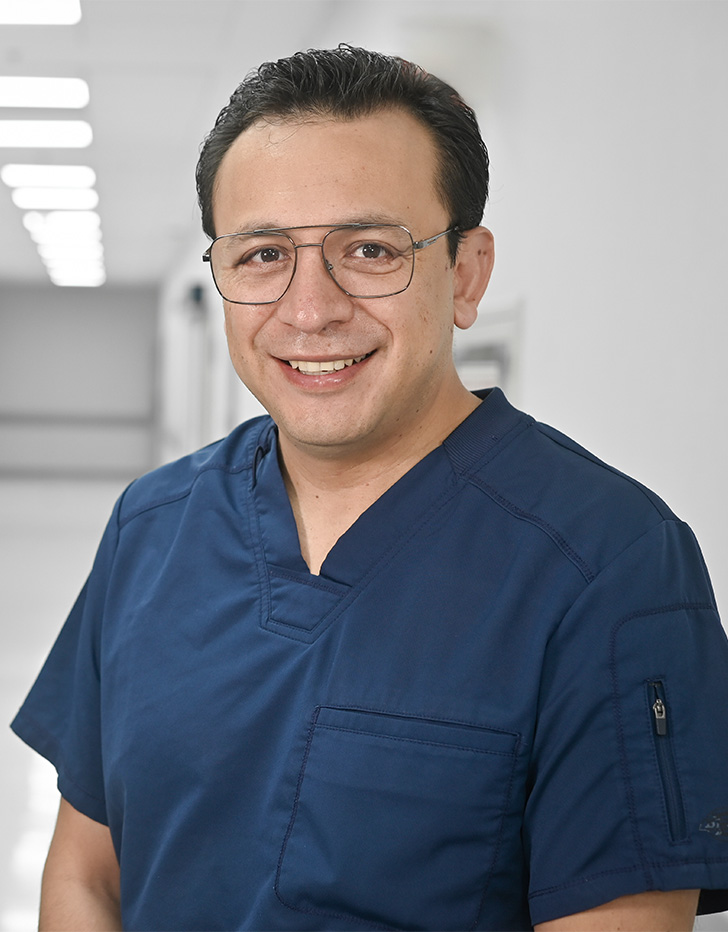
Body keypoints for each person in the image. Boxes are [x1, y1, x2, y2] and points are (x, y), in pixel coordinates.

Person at [11, 45, 728, 932]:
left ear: (465, 274)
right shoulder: (150, 528)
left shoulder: (612, 567)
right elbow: (88, 876)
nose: (310, 310)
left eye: (370, 249)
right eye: (264, 254)